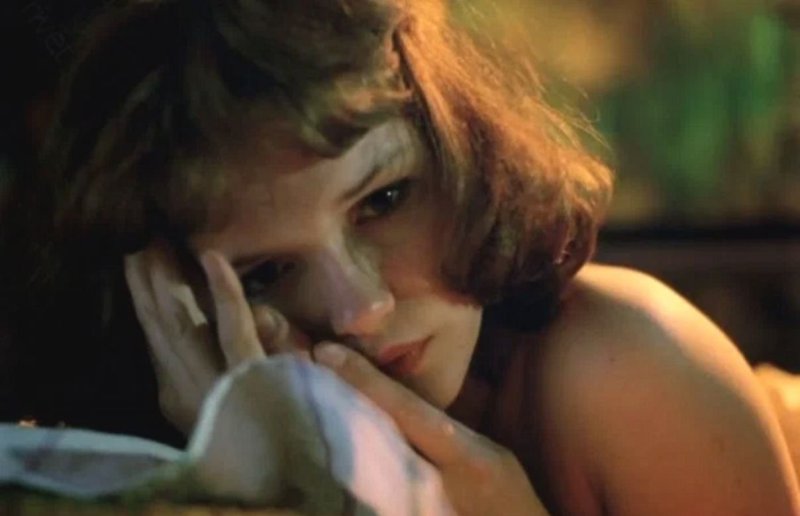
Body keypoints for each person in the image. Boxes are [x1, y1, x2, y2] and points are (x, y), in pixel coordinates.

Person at [1, 0, 798, 514]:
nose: (360, 309)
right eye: (264, 273)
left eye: (383, 200)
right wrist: (242, 453)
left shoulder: (619, 367)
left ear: (455, 148)